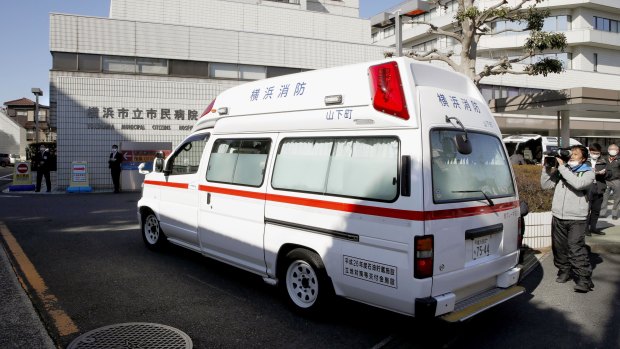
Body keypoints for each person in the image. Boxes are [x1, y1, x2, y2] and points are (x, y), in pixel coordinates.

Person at [541, 145, 594, 293]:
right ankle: (564, 271)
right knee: (559, 248)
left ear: (583, 159)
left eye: (575, 154)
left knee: (575, 248)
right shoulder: (562, 171)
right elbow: (545, 185)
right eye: (570, 153)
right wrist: (546, 169)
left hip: (577, 218)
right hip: (558, 215)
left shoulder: (588, 173)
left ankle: (584, 280)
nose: (571, 156)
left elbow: (578, 184)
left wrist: (562, 167)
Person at [586, 143, 606, 236]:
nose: (595, 154)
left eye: (597, 153)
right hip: (588, 187)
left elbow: (610, 174)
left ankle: (593, 227)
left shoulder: (603, 161)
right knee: (587, 209)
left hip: (599, 186)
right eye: (593, 152)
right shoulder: (584, 160)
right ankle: (586, 229)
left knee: (596, 209)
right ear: (590, 151)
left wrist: (604, 173)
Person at [601, 143, 620, 219]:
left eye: (615, 149)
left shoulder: (619, 160)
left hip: (617, 181)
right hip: (605, 180)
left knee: (617, 198)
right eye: (611, 149)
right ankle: (602, 213)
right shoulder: (604, 159)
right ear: (608, 150)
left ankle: (614, 213)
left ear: (618, 151)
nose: (613, 151)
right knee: (604, 197)